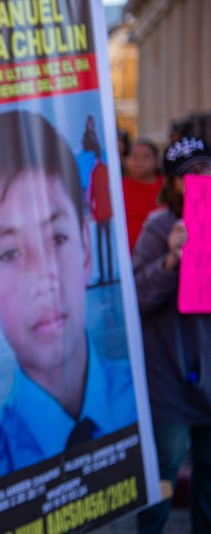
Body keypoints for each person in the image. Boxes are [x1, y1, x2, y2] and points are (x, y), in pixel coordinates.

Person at [0, 110, 137, 479]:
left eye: (57, 238)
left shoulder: (141, 404)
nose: (44, 277)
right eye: (10, 253)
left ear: (86, 247)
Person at [134, 136, 211, 534]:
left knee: (209, 475)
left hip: (209, 374)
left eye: (204, 169)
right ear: (173, 183)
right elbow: (138, 296)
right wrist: (170, 260)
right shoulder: (158, 226)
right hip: (170, 379)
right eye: (189, 175)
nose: (200, 179)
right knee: (163, 473)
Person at [123, 139, 165, 252]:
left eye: (145, 157)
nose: (138, 161)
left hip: (162, 260)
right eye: (134, 156)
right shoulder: (117, 190)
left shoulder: (168, 187)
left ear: (157, 161)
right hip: (127, 260)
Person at [87, 142, 114, 284]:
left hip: (101, 211)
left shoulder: (97, 171)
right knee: (106, 243)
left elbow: (92, 192)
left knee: (101, 243)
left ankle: (105, 273)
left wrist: (91, 206)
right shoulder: (104, 170)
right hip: (105, 210)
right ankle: (107, 273)